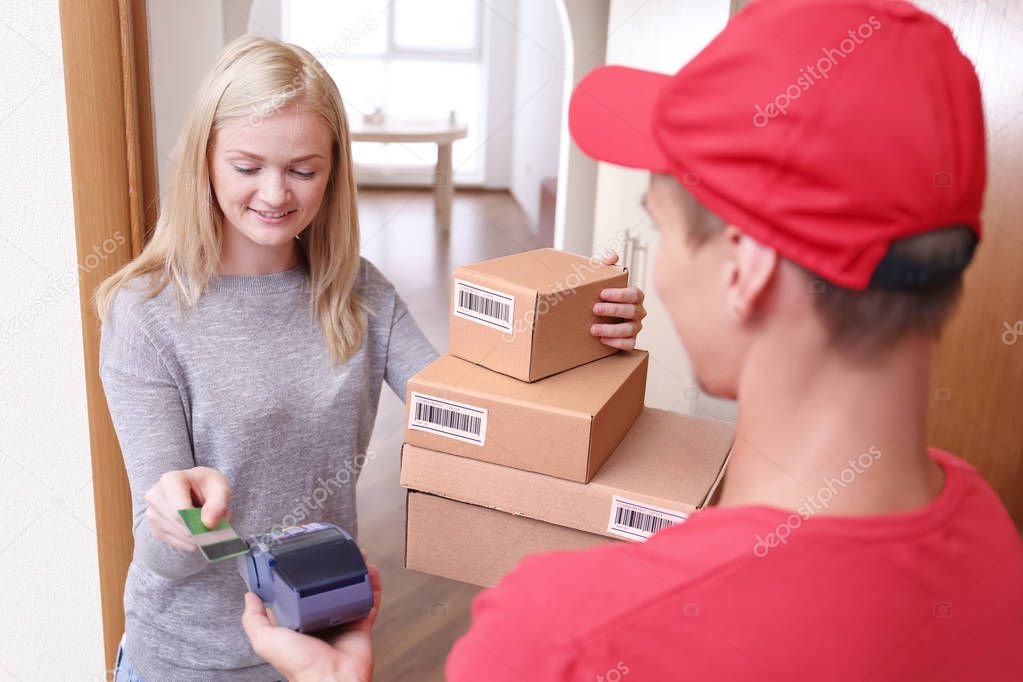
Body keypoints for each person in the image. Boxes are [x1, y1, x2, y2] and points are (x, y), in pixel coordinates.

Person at [241, 0, 1023, 680]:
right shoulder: (993, 544)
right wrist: (569, 364)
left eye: (660, 225)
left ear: (744, 268)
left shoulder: (562, 640)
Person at [96, 34, 646, 682]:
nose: (275, 193)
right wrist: (183, 524)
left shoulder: (359, 293)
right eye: (247, 167)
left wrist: (580, 339)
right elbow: (161, 541)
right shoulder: (147, 313)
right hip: (190, 661)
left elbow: (478, 423)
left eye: (303, 169)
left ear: (334, 170)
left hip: (321, 639)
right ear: (205, 160)